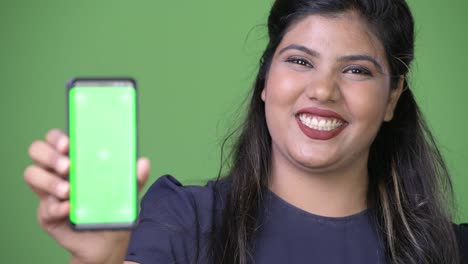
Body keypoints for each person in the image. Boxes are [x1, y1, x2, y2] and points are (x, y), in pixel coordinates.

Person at [24, 0, 467, 263]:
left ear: (392, 97)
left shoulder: (452, 249)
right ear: (265, 80)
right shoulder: (184, 221)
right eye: (299, 61)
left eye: (356, 70)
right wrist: (98, 260)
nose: (323, 90)